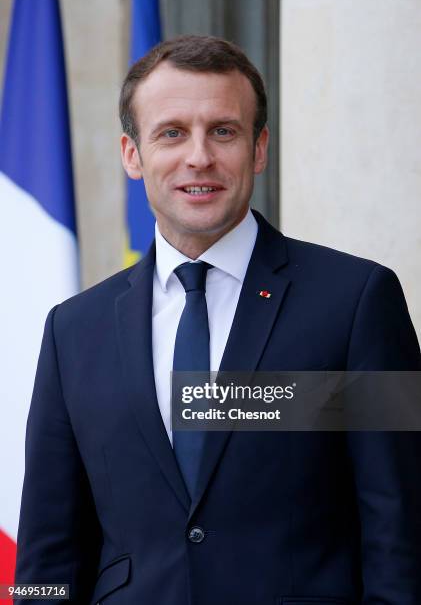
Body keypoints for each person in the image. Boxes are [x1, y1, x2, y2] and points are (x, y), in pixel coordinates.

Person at [15, 35, 421, 605]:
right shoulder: (73, 332)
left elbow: (400, 528)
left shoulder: (356, 302)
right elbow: (46, 556)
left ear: (259, 149)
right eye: (172, 132)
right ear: (132, 154)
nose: (198, 157)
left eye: (223, 131)